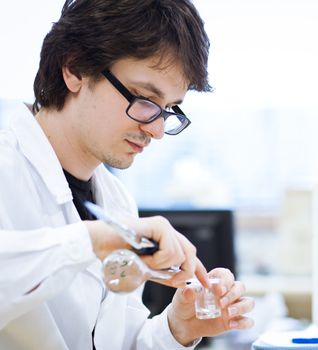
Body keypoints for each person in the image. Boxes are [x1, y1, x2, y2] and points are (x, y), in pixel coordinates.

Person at [0, 0, 254, 349]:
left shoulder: (116, 202)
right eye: (145, 99)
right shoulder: (6, 168)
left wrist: (176, 329)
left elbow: (114, 342)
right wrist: (96, 241)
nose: (157, 130)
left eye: (168, 109)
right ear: (73, 68)